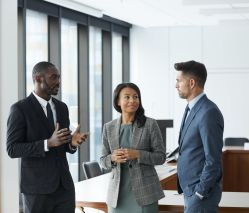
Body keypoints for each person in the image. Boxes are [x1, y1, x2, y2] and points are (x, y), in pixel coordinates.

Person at [6, 61, 89, 213]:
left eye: (59, 77)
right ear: (38, 79)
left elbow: (64, 146)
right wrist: (47, 143)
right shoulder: (20, 109)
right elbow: (12, 149)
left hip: (64, 187)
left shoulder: (62, 107)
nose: (58, 82)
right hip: (37, 189)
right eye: (53, 77)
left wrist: (72, 143)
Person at [100, 83, 165, 213]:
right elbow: (102, 160)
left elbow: (161, 157)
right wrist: (112, 158)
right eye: (127, 97)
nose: (132, 101)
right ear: (118, 101)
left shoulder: (150, 124)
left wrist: (138, 154)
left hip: (145, 194)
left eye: (136, 97)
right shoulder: (108, 127)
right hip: (117, 196)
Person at [174, 60, 224, 213]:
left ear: (191, 83)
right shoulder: (192, 108)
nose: (176, 85)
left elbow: (213, 159)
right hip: (190, 191)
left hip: (201, 196)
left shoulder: (208, 112)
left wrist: (199, 192)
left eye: (179, 81)